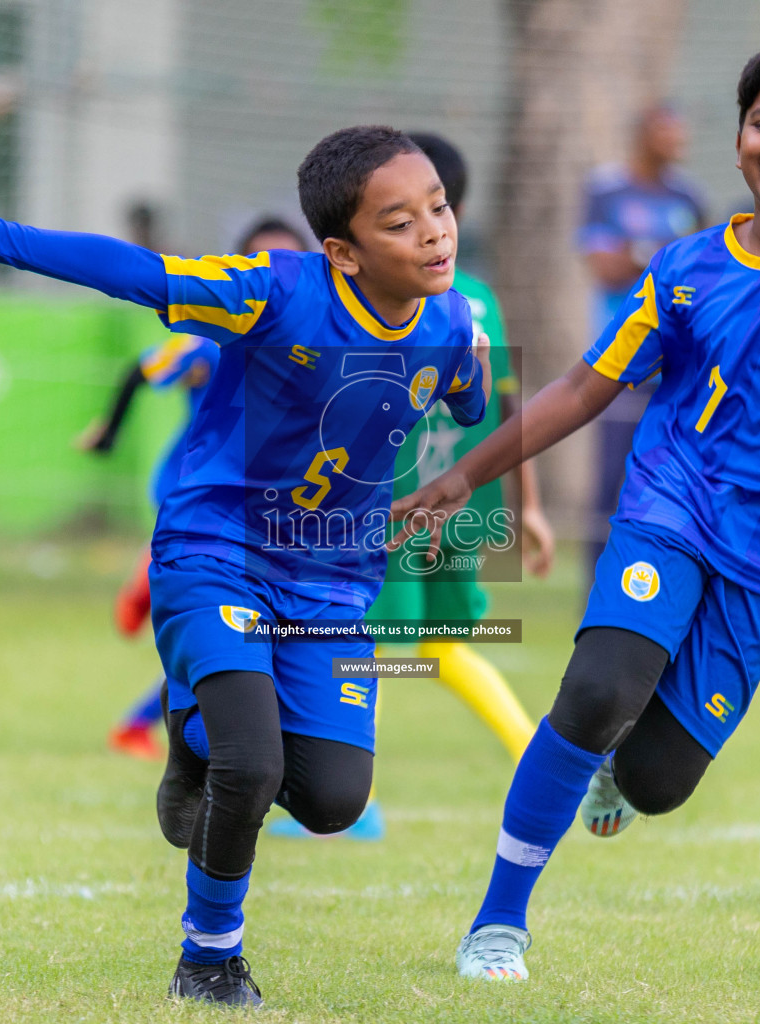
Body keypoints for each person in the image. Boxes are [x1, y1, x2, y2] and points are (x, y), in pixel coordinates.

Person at [0, 126, 489, 1007]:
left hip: (331, 581)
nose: (434, 232)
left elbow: (460, 395)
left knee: (334, 800)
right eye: (401, 223)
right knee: (255, 763)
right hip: (218, 550)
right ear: (342, 254)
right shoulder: (275, 294)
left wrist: (466, 393)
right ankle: (210, 957)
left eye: (438, 209)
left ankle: (187, 731)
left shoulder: (451, 316)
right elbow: (138, 272)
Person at [391, 36, 760, 982]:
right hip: (672, 503)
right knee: (592, 691)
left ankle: (625, 772)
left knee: (660, 782)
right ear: (740, 138)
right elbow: (585, 388)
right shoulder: (683, 267)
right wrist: (469, 473)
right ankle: (498, 924)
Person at [268, 132, 555, 842]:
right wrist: (534, 506)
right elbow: (509, 406)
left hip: (395, 488)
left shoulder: (388, 287)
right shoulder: (479, 294)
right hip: (471, 488)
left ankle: (352, 803)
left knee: (366, 632)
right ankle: (538, 755)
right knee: (440, 643)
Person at [84, 218, 310, 760]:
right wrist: (108, 434)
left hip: (269, 511)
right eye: (262, 261)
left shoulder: (318, 337)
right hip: (197, 500)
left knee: (254, 639)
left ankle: (151, 710)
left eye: (290, 262)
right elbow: (143, 370)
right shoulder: (214, 336)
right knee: (244, 637)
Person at [580, 105, 709, 579]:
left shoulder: (689, 197)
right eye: (668, 131)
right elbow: (602, 266)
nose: (678, 141)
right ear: (644, 134)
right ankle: (594, 588)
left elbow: (700, 274)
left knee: (669, 479)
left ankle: (650, 580)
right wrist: (657, 255)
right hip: (619, 363)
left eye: (682, 133)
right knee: (609, 480)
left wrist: (634, 252)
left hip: (677, 364)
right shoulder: (607, 189)